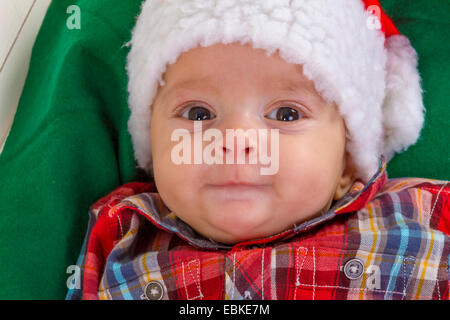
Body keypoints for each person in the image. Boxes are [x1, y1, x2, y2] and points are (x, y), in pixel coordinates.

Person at [66, 0, 449, 300]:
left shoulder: (422, 217)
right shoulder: (121, 235)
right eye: (198, 114)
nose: (235, 139)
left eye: (285, 114)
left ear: (348, 161)